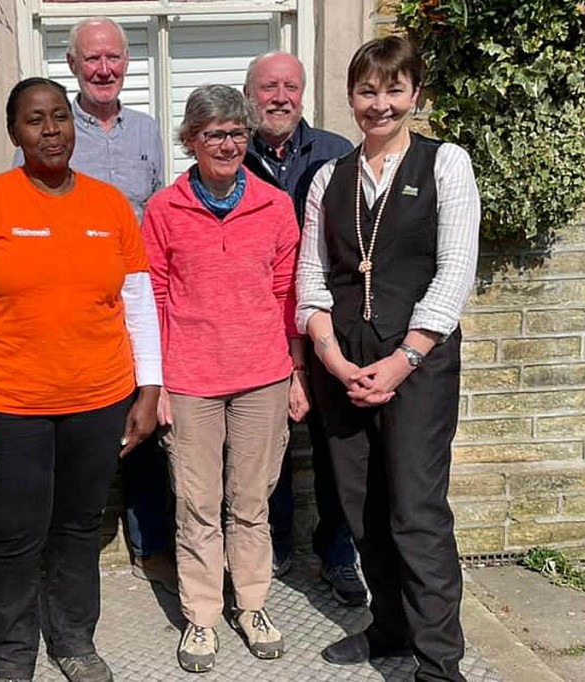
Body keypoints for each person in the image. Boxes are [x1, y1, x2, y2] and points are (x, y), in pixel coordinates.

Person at [0, 77, 162, 682]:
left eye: (60, 116)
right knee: (14, 535)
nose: (51, 130)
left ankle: (74, 641)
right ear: (15, 132)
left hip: (99, 399)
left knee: (79, 527)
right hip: (11, 405)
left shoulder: (110, 205)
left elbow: (138, 301)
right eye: (36, 120)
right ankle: (10, 659)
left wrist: (149, 389)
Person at [296, 36, 480, 681]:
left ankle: (439, 663)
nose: (380, 104)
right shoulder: (328, 177)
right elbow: (311, 280)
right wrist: (331, 356)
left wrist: (406, 357)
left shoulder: (445, 164)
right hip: (342, 365)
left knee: (416, 510)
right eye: (367, 91)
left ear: (415, 95)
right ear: (351, 98)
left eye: (393, 90)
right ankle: (391, 629)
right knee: (360, 506)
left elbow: (456, 271)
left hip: (418, 364)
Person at [141, 84, 306, 673]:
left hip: (263, 374)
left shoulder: (273, 205)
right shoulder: (164, 210)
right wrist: (155, 384)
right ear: (191, 141)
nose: (228, 143)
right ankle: (203, 616)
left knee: (251, 502)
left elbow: (289, 293)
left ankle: (254, 604)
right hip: (190, 381)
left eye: (237, 132)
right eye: (214, 134)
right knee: (197, 504)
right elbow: (153, 297)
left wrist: (297, 373)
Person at [14, 17, 175, 591]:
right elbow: (23, 210)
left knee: (145, 422)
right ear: (73, 64)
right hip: (68, 312)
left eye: (113, 58)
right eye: (92, 59)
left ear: (127, 63)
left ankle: (149, 541)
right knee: (62, 433)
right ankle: (54, 548)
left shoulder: (148, 131)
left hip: (132, 302)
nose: (104, 69)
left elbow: (158, 215)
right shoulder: (48, 128)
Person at [242, 51, 366, 606]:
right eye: (269, 86)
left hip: (326, 325)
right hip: (256, 324)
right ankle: (274, 541)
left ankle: (339, 551)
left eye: (291, 86)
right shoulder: (228, 154)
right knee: (263, 446)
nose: (281, 97)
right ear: (249, 94)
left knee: (334, 440)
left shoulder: (338, 154)